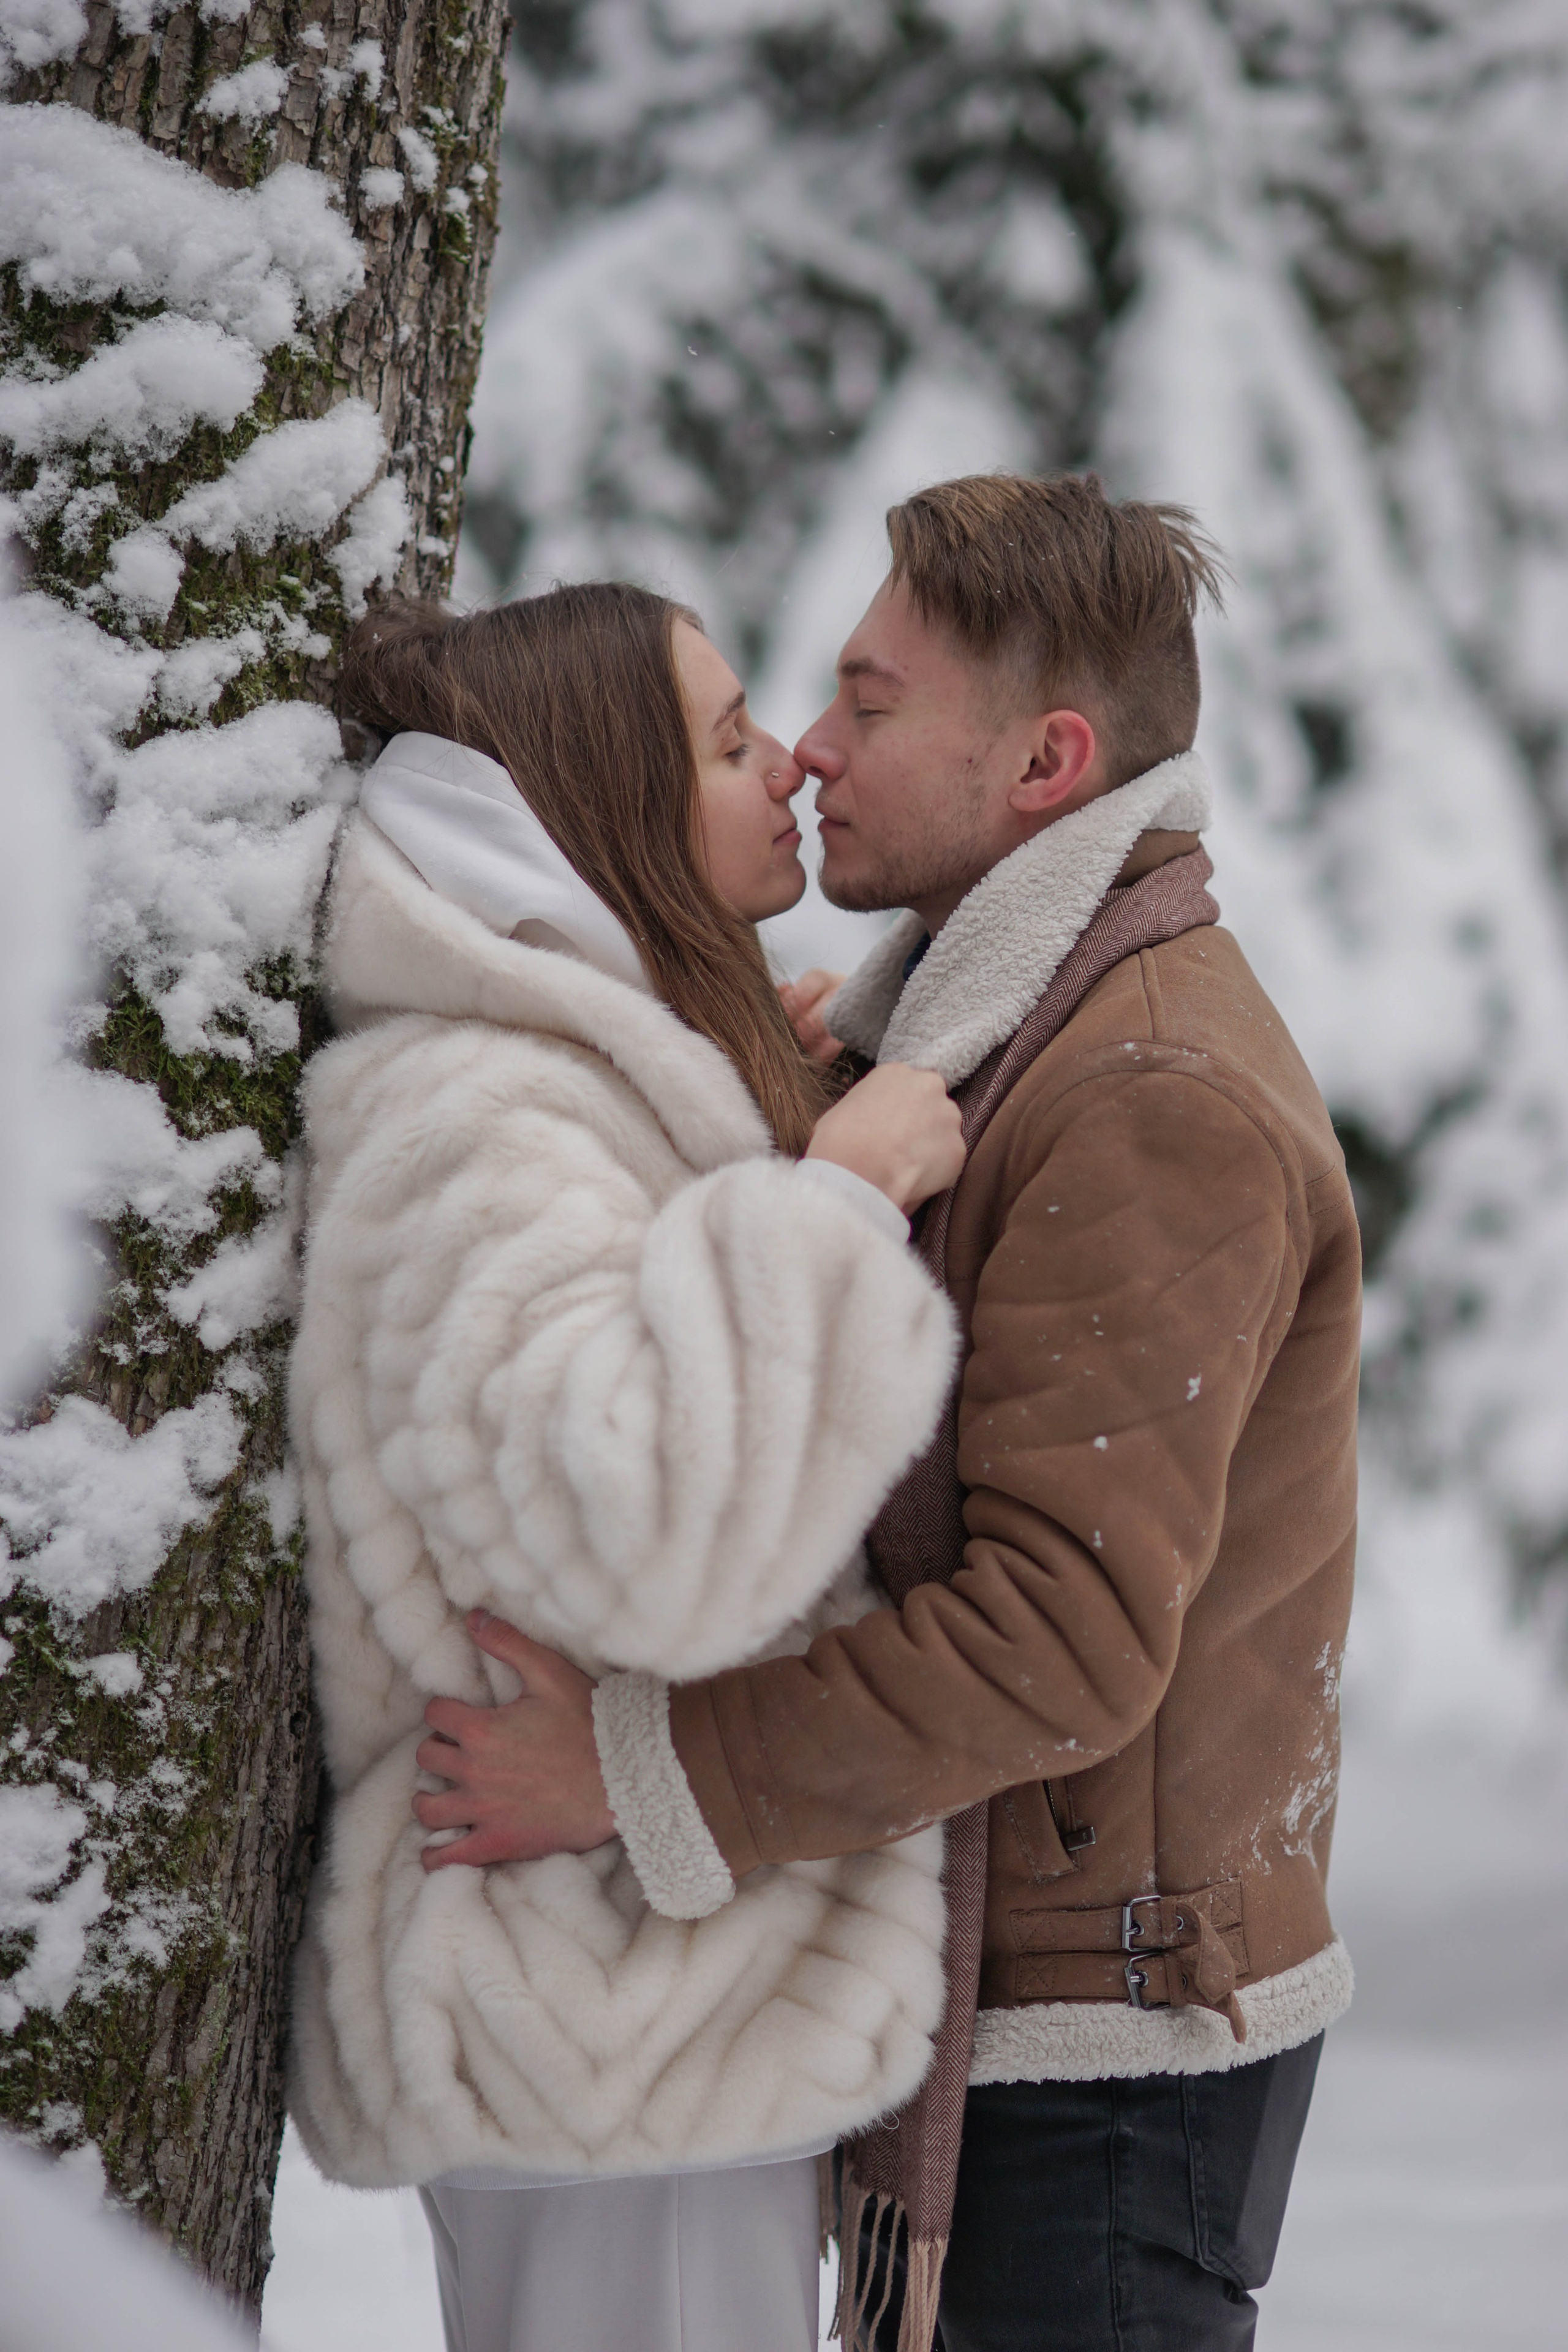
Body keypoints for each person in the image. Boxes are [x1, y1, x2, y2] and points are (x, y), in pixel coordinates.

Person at [447, 475, 1363, 2352]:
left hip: (1096, 2069)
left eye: (872, 704)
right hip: (1011, 2023)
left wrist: (644, 1773)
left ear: (1045, 760)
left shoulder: (1146, 1090)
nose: (809, 744)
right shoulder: (992, 1037)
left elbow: (1061, 1639)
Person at [284, 582, 971, 2352]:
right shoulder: (480, 1120)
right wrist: (835, 1208)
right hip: (597, 2024)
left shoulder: (562, 1085)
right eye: (728, 741)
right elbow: (646, 1525)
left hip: (620, 2009)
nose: (784, 769)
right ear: (597, 803)